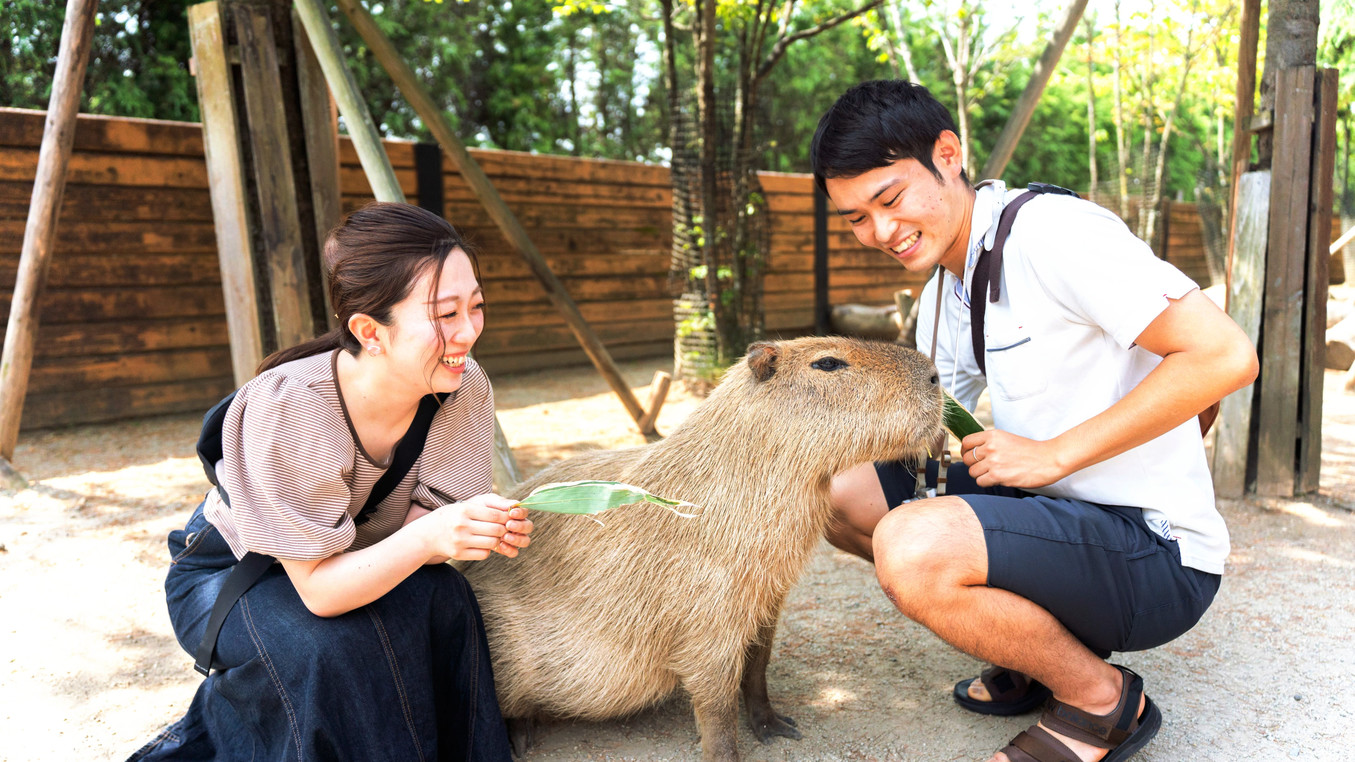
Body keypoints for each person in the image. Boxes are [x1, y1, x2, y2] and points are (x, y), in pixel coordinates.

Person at [811, 80, 1258, 762]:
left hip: (1153, 551)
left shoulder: (1052, 234)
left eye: (890, 199)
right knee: (841, 494)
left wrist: (1053, 455)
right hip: (1056, 516)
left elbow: (1224, 355)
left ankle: (1101, 701)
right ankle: (1028, 654)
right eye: (854, 218)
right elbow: (939, 416)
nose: (879, 232)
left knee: (911, 544)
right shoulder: (945, 287)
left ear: (947, 154)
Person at [129, 202, 532, 762]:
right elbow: (319, 592)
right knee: (332, 646)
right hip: (235, 576)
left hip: (350, 560)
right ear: (370, 331)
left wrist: (467, 529)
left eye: (477, 307)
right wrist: (431, 537)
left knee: (445, 598)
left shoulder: (463, 386)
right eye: (445, 316)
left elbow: (427, 528)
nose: (469, 332)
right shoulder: (291, 405)